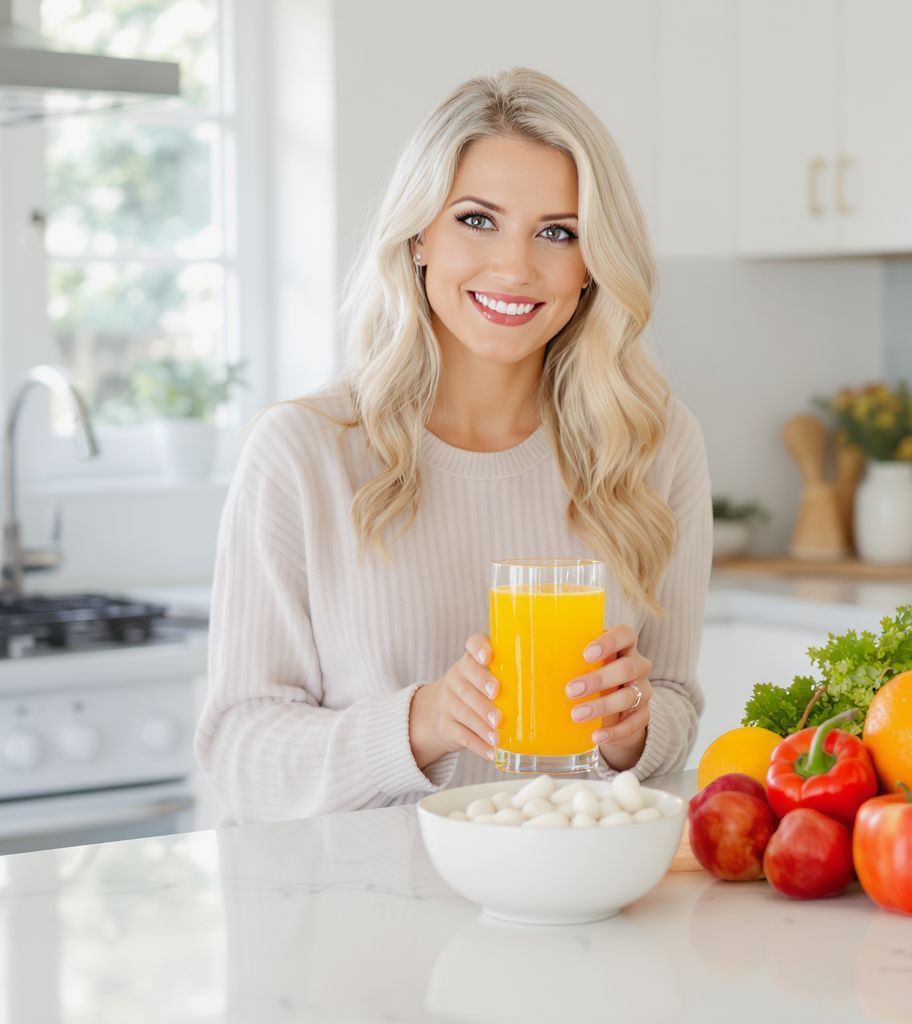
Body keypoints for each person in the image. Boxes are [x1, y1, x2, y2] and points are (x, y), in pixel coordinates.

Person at [194, 67, 712, 825]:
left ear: (592, 265)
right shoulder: (303, 451)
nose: (515, 267)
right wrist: (422, 722)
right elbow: (241, 751)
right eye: (477, 220)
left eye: (558, 232)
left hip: (568, 886)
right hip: (359, 893)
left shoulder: (651, 446)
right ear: (418, 237)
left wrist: (633, 730)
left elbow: (674, 699)